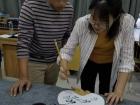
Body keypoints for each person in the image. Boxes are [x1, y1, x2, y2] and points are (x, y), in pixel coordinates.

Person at [58, 0, 135, 105]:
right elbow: (67, 51)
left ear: (116, 17)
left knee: (107, 94)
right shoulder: (82, 23)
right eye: (93, 18)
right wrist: (64, 66)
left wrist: (118, 91)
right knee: (86, 93)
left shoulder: (126, 22)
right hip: (89, 62)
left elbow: (126, 60)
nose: (96, 25)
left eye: (103, 21)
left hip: (110, 64)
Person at [10, 0, 73, 96]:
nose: (63, 5)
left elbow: (66, 37)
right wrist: (23, 77)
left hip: (54, 61)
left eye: (66, 0)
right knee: (34, 95)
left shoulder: (69, 9)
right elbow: (23, 43)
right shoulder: (30, 6)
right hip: (34, 61)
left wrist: (63, 60)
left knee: (49, 93)